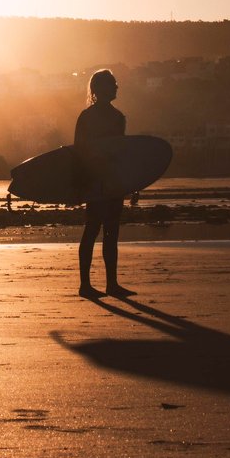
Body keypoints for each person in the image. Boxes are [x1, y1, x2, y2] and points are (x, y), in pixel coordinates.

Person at [75, 69, 131, 297]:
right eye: (113, 84)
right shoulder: (92, 117)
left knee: (107, 231)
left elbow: (119, 153)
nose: (117, 87)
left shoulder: (116, 117)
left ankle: (109, 284)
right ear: (100, 89)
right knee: (96, 230)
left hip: (106, 182)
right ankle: (87, 285)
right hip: (100, 182)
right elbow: (80, 152)